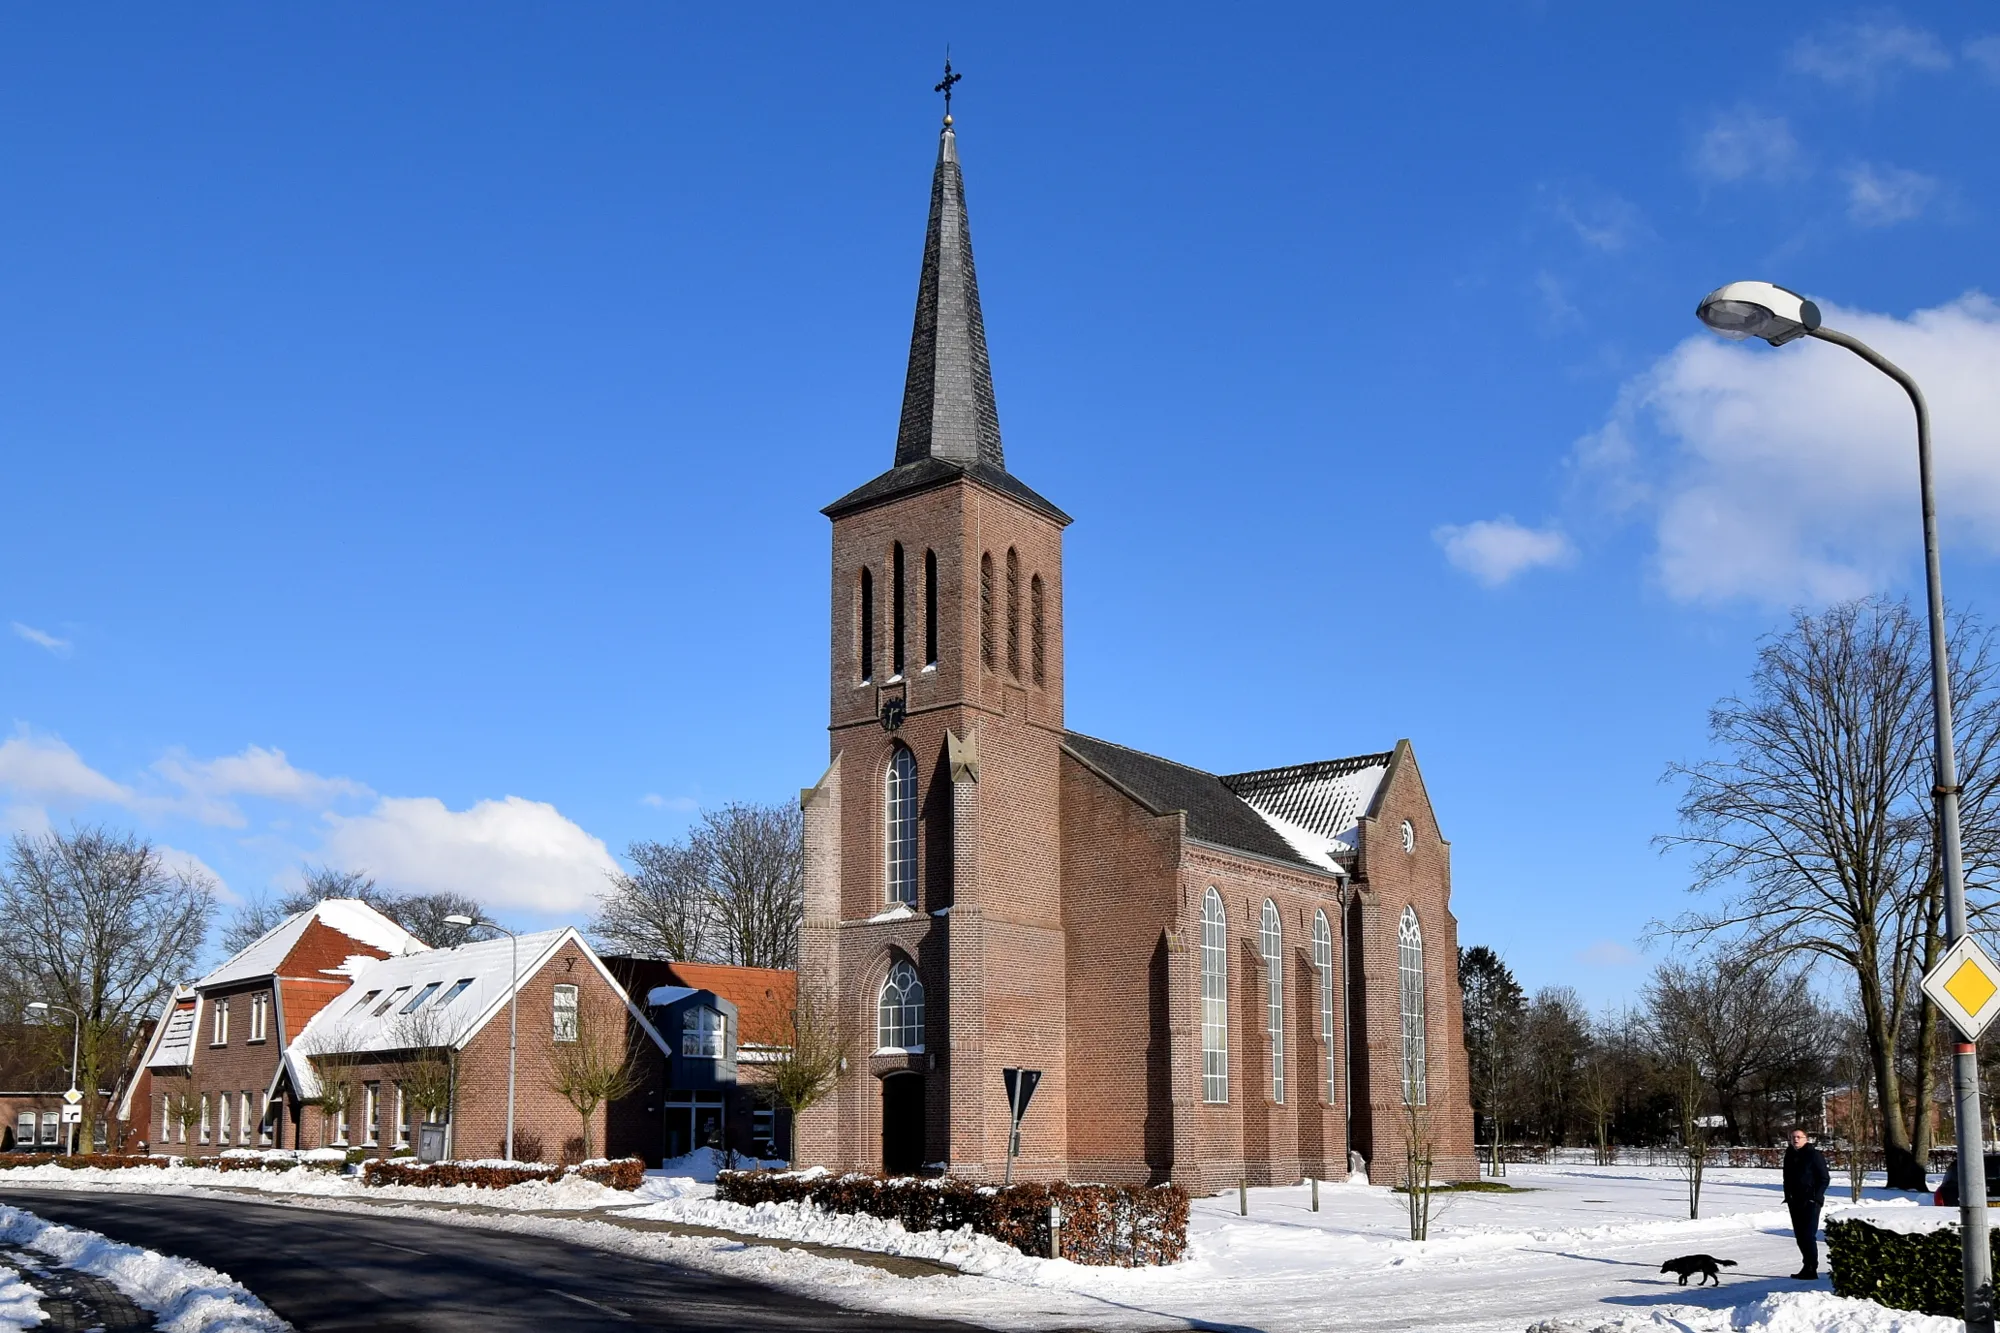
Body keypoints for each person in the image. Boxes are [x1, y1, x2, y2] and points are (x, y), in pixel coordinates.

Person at [1782, 1127, 1831, 1279]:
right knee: (1799, 1235)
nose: (1795, 1140)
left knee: (1808, 1235)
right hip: (1794, 1200)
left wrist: (1816, 1197)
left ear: (1806, 1139)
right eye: (1793, 1137)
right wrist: (1788, 1195)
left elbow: (1824, 1178)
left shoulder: (1814, 1155)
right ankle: (1806, 1266)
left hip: (1810, 1201)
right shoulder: (1789, 1155)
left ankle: (1812, 1268)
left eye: (1799, 1137)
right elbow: (1786, 1178)